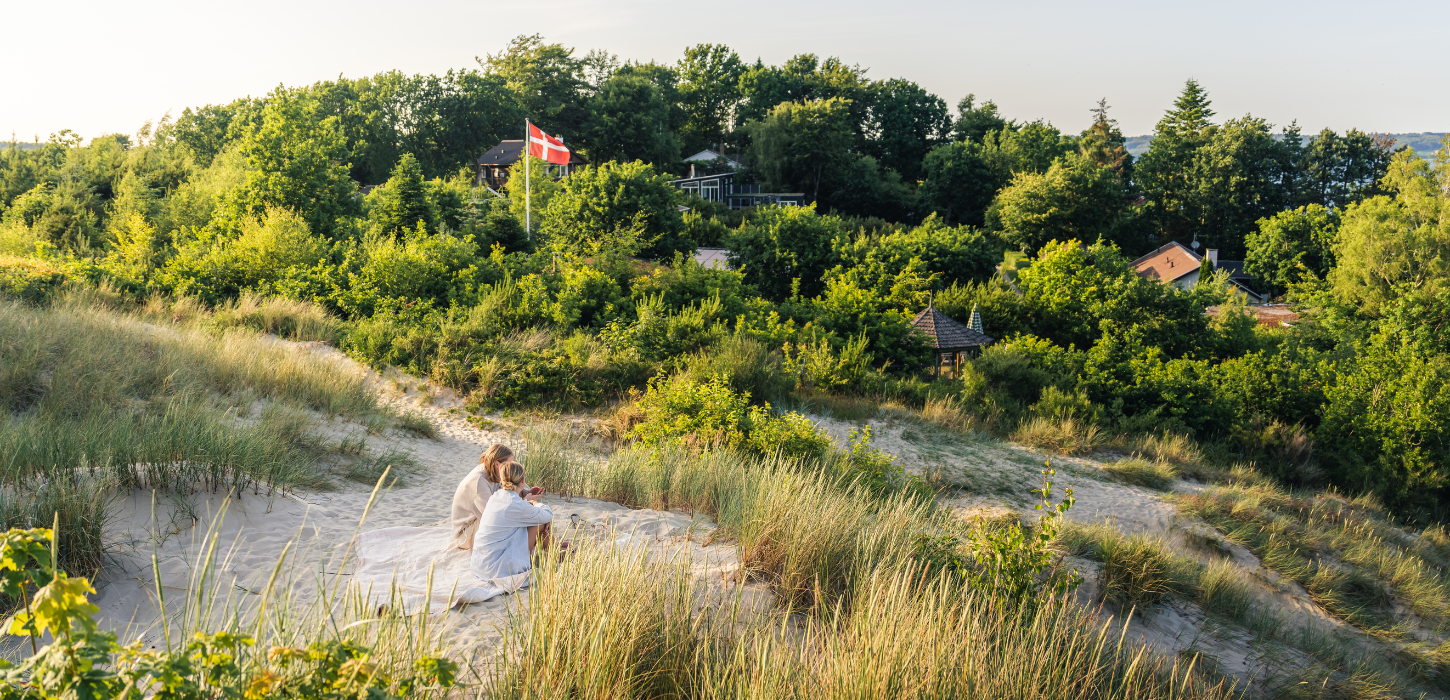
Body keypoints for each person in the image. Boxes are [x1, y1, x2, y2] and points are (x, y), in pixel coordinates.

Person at [471, 461, 557, 581]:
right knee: (539, 523)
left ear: (502, 479)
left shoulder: (495, 497)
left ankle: (557, 551)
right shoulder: (517, 505)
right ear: (523, 481)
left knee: (535, 520)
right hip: (496, 570)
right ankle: (558, 553)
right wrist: (535, 503)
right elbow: (548, 515)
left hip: (479, 564)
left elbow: (516, 508)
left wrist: (526, 501)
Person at [451, 444, 543, 549]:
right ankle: (532, 551)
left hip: (483, 519)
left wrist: (525, 493)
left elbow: (510, 492)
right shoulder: (478, 483)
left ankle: (549, 546)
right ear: (497, 464)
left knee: (529, 518)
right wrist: (525, 504)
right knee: (522, 520)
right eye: (508, 464)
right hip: (465, 534)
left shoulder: (495, 473)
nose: (510, 468)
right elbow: (495, 517)